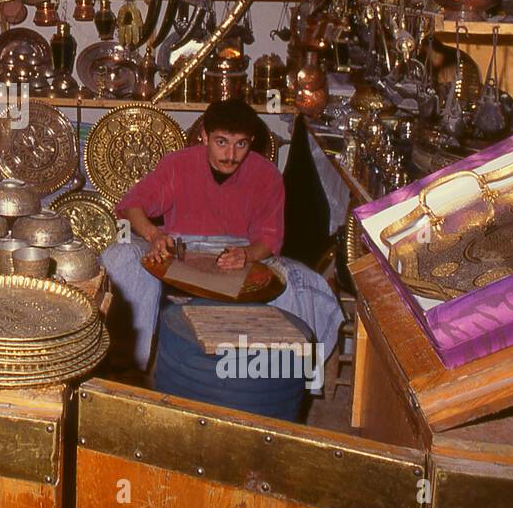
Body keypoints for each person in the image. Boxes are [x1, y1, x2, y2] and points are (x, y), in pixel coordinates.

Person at [101, 99, 340, 373]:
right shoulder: (178, 164)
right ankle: (127, 369)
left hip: (237, 254)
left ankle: (282, 376)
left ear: (251, 141)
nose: (230, 154)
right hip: (179, 249)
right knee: (121, 256)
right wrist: (154, 235)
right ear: (204, 136)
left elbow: (269, 240)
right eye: (221, 142)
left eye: (241, 144)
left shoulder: (266, 175)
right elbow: (132, 204)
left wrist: (246, 254)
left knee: (297, 282)